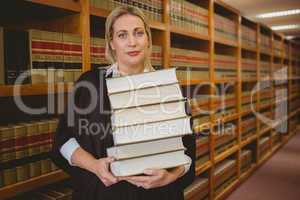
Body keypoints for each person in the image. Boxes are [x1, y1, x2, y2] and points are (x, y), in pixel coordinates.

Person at [51, 5, 195, 200]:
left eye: (138, 33)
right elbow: (65, 140)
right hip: (104, 193)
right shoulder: (90, 83)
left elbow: (187, 150)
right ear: (111, 43)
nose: (132, 42)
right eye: (122, 35)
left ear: (148, 39)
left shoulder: (167, 85)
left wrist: (170, 176)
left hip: (159, 194)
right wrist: (95, 166)